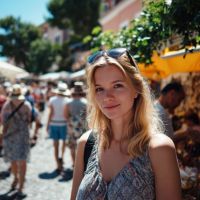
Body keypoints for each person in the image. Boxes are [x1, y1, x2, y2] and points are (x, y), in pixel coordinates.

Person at [70, 48, 182, 200]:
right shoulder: (86, 143)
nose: (107, 97)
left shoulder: (158, 149)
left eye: (117, 85)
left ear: (136, 89)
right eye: (99, 89)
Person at [1, 84, 31, 196]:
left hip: (10, 136)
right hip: (23, 136)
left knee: (13, 160)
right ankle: (21, 188)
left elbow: (3, 121)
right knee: (22, 161)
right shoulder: (27, 105)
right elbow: (29, 120)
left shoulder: (7, 105)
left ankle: (15, 177)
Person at [47, 82, 70, 173]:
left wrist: (47, 124)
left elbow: (50, 113)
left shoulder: (52, 100)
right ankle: (62, 157)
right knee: (64, 143)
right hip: (64, 123)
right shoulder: (67, 100)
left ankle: (58, 164)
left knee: (55, 145)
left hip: (54, 123)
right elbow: (67, 114)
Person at [67, 81, 87, 166]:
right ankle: (81, 164)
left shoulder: (68, 103)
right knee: (83, 146)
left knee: (72, 146)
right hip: (82, 126)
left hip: (72, 126)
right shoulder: (86, 102)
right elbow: (88, 116)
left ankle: (74, 163)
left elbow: (66, 116)